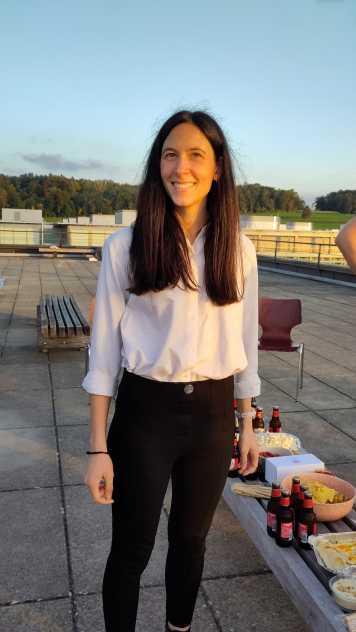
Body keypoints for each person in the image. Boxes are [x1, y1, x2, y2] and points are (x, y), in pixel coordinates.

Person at [82, 110, 261, 632]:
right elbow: (103, 355)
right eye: (169, 154)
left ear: (218, 169)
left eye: (195, 155)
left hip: (211, 415)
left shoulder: (240, 251)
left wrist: (246, 423)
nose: (180, 167)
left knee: (192, 540)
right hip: (145, 414)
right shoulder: (125, 246)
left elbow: (244, 343)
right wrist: (98, 448)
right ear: (157, 165)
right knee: (131, 549)